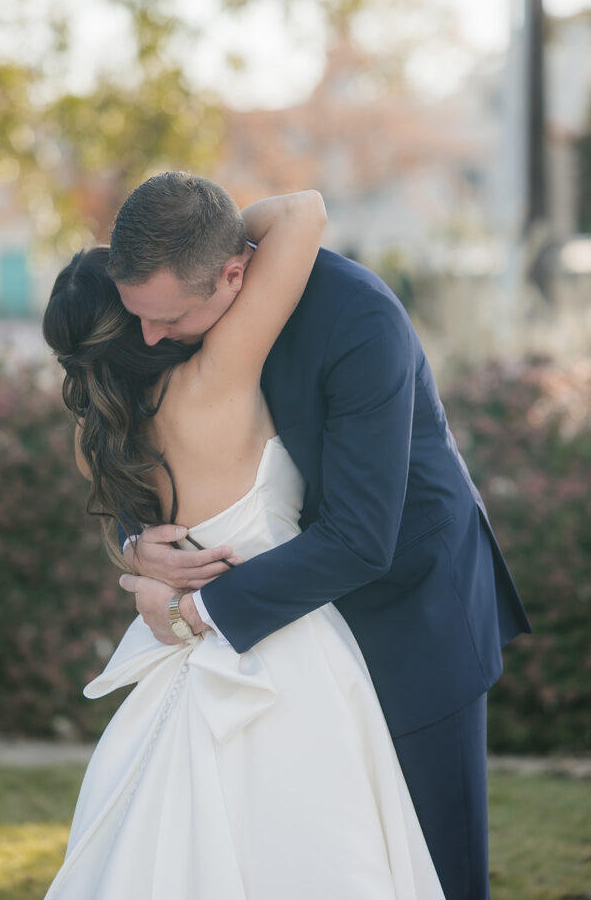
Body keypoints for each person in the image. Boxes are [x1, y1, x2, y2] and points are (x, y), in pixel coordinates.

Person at [109, 172, 531, 900]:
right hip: (287, 637)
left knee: (434, 872)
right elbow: (146, 431)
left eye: (166, 319)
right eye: (138, 318)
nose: (146, 338)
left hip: (411, 615)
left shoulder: (357, 317)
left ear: (233, 274)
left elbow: (361, 537)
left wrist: (190, 612)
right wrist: (135, 539)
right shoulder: (168, 311)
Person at [42, 184, 447, 899]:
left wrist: (136, 553)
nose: (153, 333)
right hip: (290, 644)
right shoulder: (216, 379)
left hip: (186, 652)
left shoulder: (95, 439)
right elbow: (302, 211)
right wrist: (215, 239)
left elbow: (139, 523)